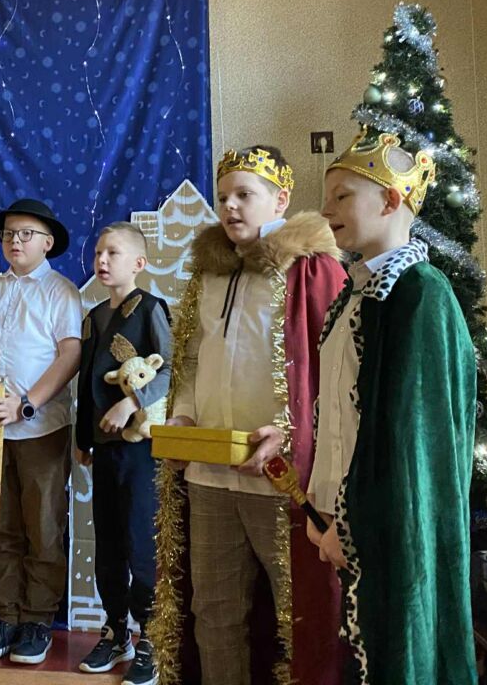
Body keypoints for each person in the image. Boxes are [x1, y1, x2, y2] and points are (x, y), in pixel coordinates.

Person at [154, 146, 346, 685]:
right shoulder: (209, 274)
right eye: (223, 197)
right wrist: (184, 417)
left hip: (281, 478)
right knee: (213, 612)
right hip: (210, 477)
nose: (230, 207)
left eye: (244, 195)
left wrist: (288, 432)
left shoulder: (311, 270)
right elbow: (190, 359)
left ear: (280, 200)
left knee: (297, 614)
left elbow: (334, 374)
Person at [309, 128, 477, 684]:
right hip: (350, 521)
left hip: (386, 525)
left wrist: (355, 523)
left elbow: (411, 444)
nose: (326, 210)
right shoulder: (355, 294)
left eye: (342, 197)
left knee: (396, 649)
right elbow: (339, 415)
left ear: (389, 200)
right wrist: (327, 509)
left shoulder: (419, 293)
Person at [0, 198, 82, 666]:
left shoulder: (61, 291)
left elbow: (69, 356)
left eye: (26, 233)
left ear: (47, 243)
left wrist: (26, 403)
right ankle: (5, 615)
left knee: (43, 525)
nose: (15, 241)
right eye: (9, 233)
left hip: (41, 428)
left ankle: (37, 619)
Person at [74, 222, 171, 685]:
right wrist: (83, 439)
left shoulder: (151, 308)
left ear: (139, 263)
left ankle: (153, 636)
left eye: (113, 252)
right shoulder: (93, 316)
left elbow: (169, 369)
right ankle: (116, 630)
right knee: (108, 542)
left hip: (141, 447)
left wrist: (131, 403)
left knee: (140, 541)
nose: (102, 260)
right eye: (98, 252)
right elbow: (86, 383)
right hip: (104, 446)